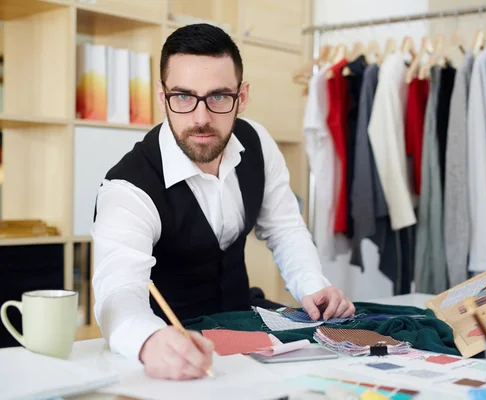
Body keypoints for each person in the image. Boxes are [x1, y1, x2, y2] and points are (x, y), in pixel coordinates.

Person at [91, 23, 355, 381]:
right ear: (161, 95)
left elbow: (284, 228)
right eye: (183, 96)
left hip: (244, 334)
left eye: (218, 97)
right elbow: (117, 291)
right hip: (173, 351)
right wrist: (148, 340)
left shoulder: (258, 143)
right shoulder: (127, 188)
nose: (201, 118)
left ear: (242, 97)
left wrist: (313, 286)